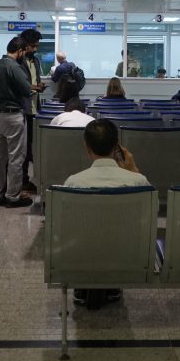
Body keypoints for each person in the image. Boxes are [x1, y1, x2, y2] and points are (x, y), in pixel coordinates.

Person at [64, 119, 150, 307]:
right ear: (116, 146)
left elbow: (66, 224)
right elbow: (151, 213)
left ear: (87, 147)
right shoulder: (138, 181)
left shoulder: (73, 182)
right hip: (126, 255)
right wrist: (134, 171)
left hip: (81, 254)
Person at [0, 36, 35, 208]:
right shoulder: (14, 67)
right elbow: (26, 90)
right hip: (14, 116)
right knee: (16, 157)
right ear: (20, 51)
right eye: (24, 52)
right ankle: (13, 196)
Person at [18, 29, 46, 192]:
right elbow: (18, 84)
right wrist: (33, 87)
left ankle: (28, 179)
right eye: (33, 46)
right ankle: (22, 180)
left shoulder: (35, 61)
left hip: (35, 108)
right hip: (22, 109)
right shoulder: (17, 62)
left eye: (37, 46)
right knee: (22, 148)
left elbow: (36, 80)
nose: (35, 49)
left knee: (31, 147)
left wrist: (39, 85)